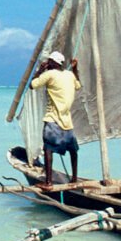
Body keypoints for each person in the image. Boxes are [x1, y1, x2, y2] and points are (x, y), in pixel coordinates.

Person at [29, 50, 81, 190]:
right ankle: (74, 179)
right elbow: (78, 85)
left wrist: (40, 70)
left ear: (52, 63)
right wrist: (75, 69)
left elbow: (32, 85)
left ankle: (48, 182)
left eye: (49, 61)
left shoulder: (49, 74)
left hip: (53, 119)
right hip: (67, 121)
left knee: (48, 149)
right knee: (73, 150)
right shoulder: (70, 74)